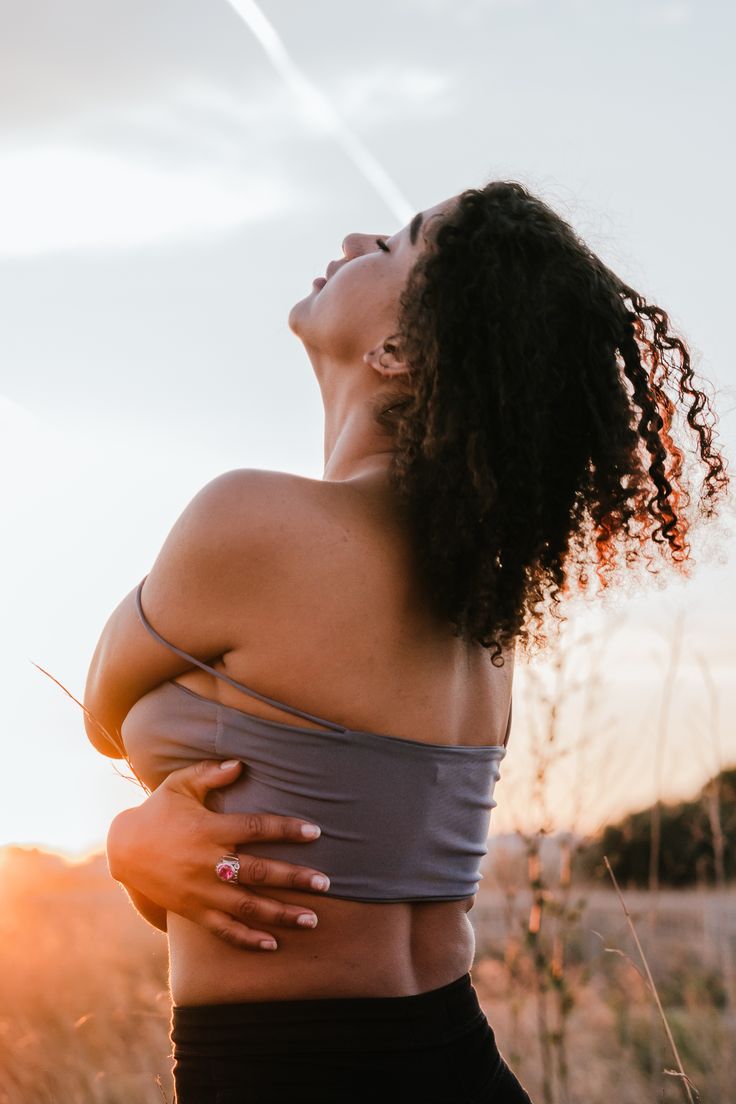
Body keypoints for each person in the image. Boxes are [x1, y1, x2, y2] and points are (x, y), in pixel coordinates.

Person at [85, 181, 728, 1103]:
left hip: (291, 1075)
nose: (352, 236)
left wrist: (130, 841)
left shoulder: (253, 522)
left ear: (399, 349)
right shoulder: (484, 606)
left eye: (391, 244)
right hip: (455, 1063)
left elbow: (103, 710)